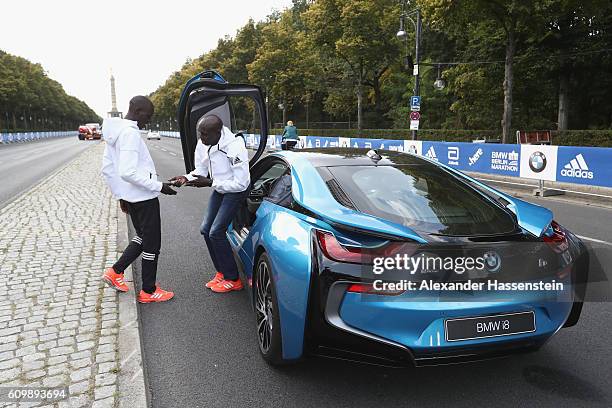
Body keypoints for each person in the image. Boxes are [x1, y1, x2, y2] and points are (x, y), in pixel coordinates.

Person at [101, 96, 177, 303]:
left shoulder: (114, 133)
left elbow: (108, 169)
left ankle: (115, 272)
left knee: (142, 237)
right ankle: (149, 291)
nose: (149, 121)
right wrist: (159, 186)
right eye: (148, 115)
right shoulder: (130, 134)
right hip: (144, 197)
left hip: (132, 197)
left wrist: (121, 195)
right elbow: (127, 172)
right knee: (152, 244)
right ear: (136, 109)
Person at [170, 115, 250, 293]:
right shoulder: (203, 143)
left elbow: (241, 183)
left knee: (216, 232)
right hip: (220, 187)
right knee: (206, 230)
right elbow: (201, 170)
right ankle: (222, 272)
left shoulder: (235, 147)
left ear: (218, 132)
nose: (202, 138)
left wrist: (210, 183)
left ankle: (233, 279)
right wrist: (185, 178)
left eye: (205, 135)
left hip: (235, 190)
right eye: (200, 134)